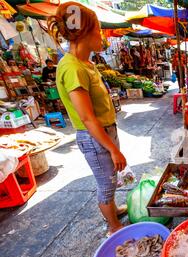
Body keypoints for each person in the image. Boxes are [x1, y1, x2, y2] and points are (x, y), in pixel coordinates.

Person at [48, 1, 128, 236]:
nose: (102, 36)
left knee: (111, 178)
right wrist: (113, 149)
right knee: (106, 184)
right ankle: (114, 228)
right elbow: (87, 117)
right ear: (84, 33)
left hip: (104, 132)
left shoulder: (86, 63)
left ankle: (113, 210)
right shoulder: (72, 67)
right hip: (95, 137)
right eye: (99, 31)